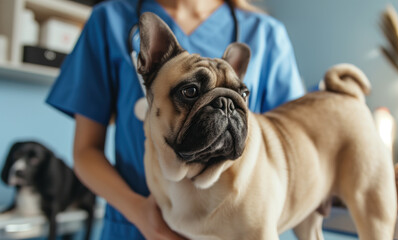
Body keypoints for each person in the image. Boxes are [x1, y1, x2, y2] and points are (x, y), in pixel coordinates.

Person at [46, 0, 305, 239]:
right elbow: (85, 151)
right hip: (135, 225)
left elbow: (290, 144)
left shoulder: (264, 31)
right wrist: (140, 213)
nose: (225, 108)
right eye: (190, 92)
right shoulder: (110, 19)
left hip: (234, 228)